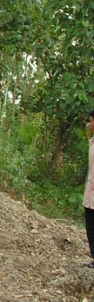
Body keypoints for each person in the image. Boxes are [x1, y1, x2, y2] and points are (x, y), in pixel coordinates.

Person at [83, 110, 94, 268]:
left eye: (91, 121)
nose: (89, 124)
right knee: (90, 226)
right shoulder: (92, 142)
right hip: (90, 192)